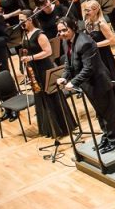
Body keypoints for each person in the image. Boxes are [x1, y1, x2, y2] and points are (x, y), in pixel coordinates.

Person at [58, 17, 115, 153]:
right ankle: (106, 136)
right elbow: (68, 63)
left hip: (99, 82)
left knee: (107, 114)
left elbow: (89, 68)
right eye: (60, 31)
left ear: (73, 27)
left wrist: (73, 82)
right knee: (100, 113)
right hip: (88, 84)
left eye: (65, 30)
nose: (62, 33)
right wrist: (64, 77)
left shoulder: (85, 42)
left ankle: (114, 140)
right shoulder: (66, 42)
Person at [20, 10, 75, 139]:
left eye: (22, 19)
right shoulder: (25, 34)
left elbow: (48, 51)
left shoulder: (40, 34)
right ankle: (49, 128)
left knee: (52, 97)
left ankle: (62, 127)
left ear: (30, 19)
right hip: (34, 70)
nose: (20, 22)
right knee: (41, 97)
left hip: (44, 69)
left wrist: (31, 57)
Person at [81, 0, 115, 117]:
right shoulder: (87, 22)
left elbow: (113, 41)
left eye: (88, 10)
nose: (86, 12)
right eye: (85, 10)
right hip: (95, 57)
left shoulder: (101, 24)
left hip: (105, 57)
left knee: (110, 80)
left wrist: (94, 45)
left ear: (96, 10)